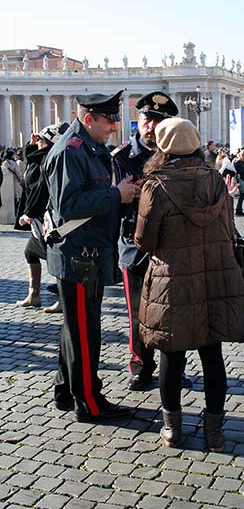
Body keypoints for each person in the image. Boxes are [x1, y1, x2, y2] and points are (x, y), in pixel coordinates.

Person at [134, 118, 244, 450]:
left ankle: (172, 429)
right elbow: (228, 230)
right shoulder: (215, 180)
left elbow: (144, 240)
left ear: (162, 146)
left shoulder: (155, 185)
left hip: (174, 283)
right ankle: (214, 431)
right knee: (212, 353)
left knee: (172, 355)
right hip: (214, 277)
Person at [44, 91, 139, 422]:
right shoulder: (72, 152)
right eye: (109, 119)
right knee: (85, 332)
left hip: (88, 252)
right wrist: (116, 194)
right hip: (78, 255)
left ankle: (64, 391)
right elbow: (69, 205)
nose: (114, 126)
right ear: (88, 119)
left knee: (75, 328)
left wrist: (117, 191)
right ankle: (89, 402)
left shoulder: (89, 149)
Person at [112, 92, 192, 391]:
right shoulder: (120, 158)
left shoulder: (178, 155)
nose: (151, 125)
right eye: (147, 119)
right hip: (134, 245)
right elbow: (112, 204)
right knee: (137, 314)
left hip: (170, 248)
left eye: (158, 120)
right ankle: (141, 367)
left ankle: (175, 368)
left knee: (174, 312)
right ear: (139, 120)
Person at [15, 123, 69, 311]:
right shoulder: (41, 157)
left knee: (57, 258)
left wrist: (30, 213)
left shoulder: (49, 159)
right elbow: (29, 162)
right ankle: (34, 295)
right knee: (31, 252)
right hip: (40, 218)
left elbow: (41, 190)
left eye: (40, 140)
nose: (37, 142)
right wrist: (31, 145)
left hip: (46, 218)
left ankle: (63, 299)